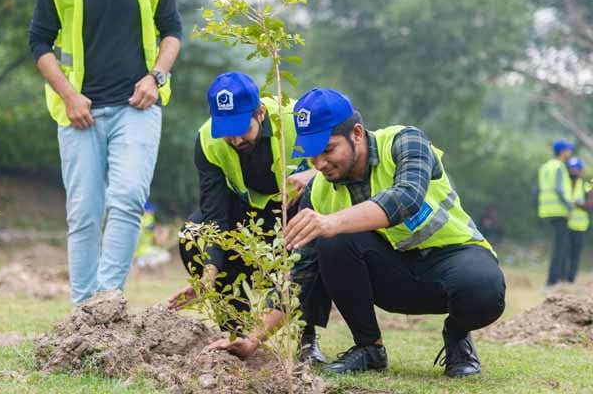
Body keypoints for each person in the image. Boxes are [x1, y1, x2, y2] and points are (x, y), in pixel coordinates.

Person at [208, 88, 506, 378]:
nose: (320, 164)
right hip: (395, 281)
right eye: (312, 155)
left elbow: (407, 197)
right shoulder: (320, 191)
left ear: (358, 134)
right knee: (330, 243)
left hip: (455, 260)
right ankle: (369, 348)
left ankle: (456, 335)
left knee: (484, 290)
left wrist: (333, 222)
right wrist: (252, 339)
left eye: (328, 150)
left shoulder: (405, 141)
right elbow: (300, 274)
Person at [28, 0, 182, 305]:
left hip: (137, 106)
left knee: (129, 196)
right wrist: (68, 96)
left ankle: (107, 300)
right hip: (81, 112)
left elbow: (172, 32)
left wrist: (156, 78)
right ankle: (84, 311)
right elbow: (39, 43)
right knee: (84, 213)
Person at [166, 72, 329, 363]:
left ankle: (307, 339)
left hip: (296, 210)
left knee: (311, 235)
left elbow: (342, 158)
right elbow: (216, 215)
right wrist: (208, 275)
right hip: (248, 213)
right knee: (194, 233)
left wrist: (313, 174)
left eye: (242, 128)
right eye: (227, 130)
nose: (236, 138)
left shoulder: (294, 120)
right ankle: (235, 331)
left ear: (261, 113)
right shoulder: (208, 140)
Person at [538, 139, 574, 286]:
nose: (570, 153)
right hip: (559, 211)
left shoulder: (546, 167)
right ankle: (553, 282)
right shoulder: (559, 166)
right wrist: (569, 207)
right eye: (568, 150)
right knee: (561, 248)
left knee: (558, 247)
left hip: (548, 210)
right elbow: (559, 190)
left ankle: (553, 281)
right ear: (562, 151)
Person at [565, 157, 589, 283]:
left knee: (575, 255)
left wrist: (576, 204)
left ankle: (571, 280)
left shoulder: (586, 186)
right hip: (566, 225)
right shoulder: (564, 184)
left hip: (580, 226)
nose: (573, 172)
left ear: (580, 171)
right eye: (571, 169)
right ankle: (562, 279)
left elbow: (590, 206)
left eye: (576, 169)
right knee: (565, 254)